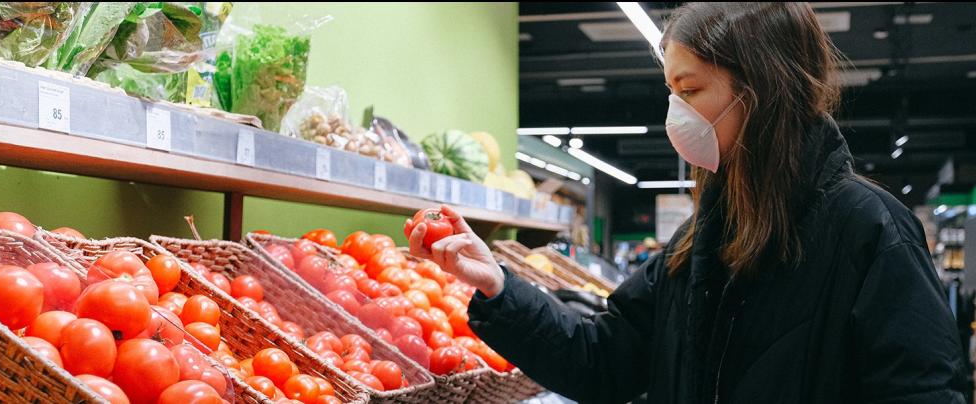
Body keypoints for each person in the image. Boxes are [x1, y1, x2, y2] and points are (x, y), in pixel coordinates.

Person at [406, 3, 966, 403]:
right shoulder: (700, 240)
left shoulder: (869, 230)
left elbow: (921, 389)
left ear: (761, 90)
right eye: (671, 91)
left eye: (691, 90)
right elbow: (605, 361)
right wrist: (498, 286)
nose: (676, 111)